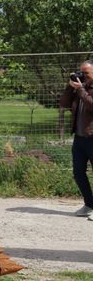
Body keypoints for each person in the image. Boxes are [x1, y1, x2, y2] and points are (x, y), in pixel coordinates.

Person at [60, 59, 93, 220]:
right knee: (78, 172)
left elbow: (91, 105)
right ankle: (89, 204)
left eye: (86, 73)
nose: (83, 76)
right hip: (80, 138)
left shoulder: (85, 90)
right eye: (81, 72)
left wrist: (80, 90)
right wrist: (70, 86)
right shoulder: (81, 88)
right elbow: (64, 103)